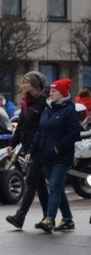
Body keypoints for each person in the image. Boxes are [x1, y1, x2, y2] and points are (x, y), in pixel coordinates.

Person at [28, 78, 81, 233]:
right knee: (57, 187)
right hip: (47, 156)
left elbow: (74, 134)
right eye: (50, 90)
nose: (50, 93)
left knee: (54, 186)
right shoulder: (48, 109)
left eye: (54, 91)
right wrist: (31, 150)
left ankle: (50, 219)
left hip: (61, 157)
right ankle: (67, 220)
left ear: (63, 93)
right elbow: (40, 133)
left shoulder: (69, 110)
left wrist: (59, 146)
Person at [5, 71, 49, 230]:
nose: (23, 85)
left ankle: (20, 216)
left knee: (30, 181)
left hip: (39, 148)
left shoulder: (43, 103)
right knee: (40, 184)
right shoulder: (26, 103)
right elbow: (21, 126)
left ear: (36, 85)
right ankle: (48, 218)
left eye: (26, 82)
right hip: (28, 147)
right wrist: (12, 143)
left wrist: (33, 148)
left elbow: (42, 129)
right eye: (22, 82)